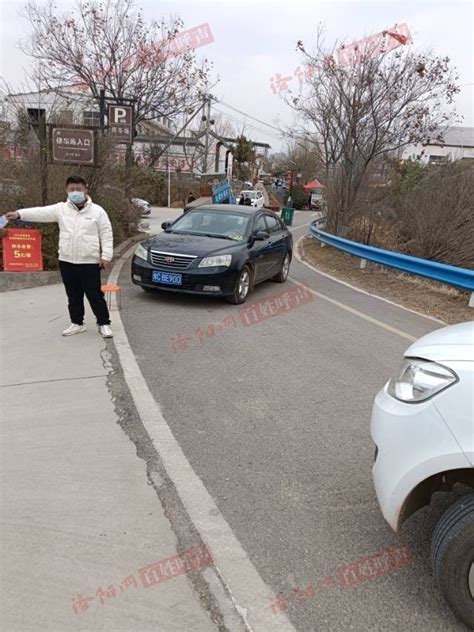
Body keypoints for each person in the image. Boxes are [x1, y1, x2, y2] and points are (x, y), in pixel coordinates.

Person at [6, 175, 114, 338]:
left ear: (86, 190)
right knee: (73, 294)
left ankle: (103, 323)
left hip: (89, 261)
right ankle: (77, 323)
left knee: (94, 294)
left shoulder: (98, 211)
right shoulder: (61, 209)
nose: (75, 192)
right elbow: (41, 213)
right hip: (67, 260)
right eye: (72, 189)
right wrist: (19, 214)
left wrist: (106, 256)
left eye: (79, 189)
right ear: (66, 190)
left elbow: (106, 234)